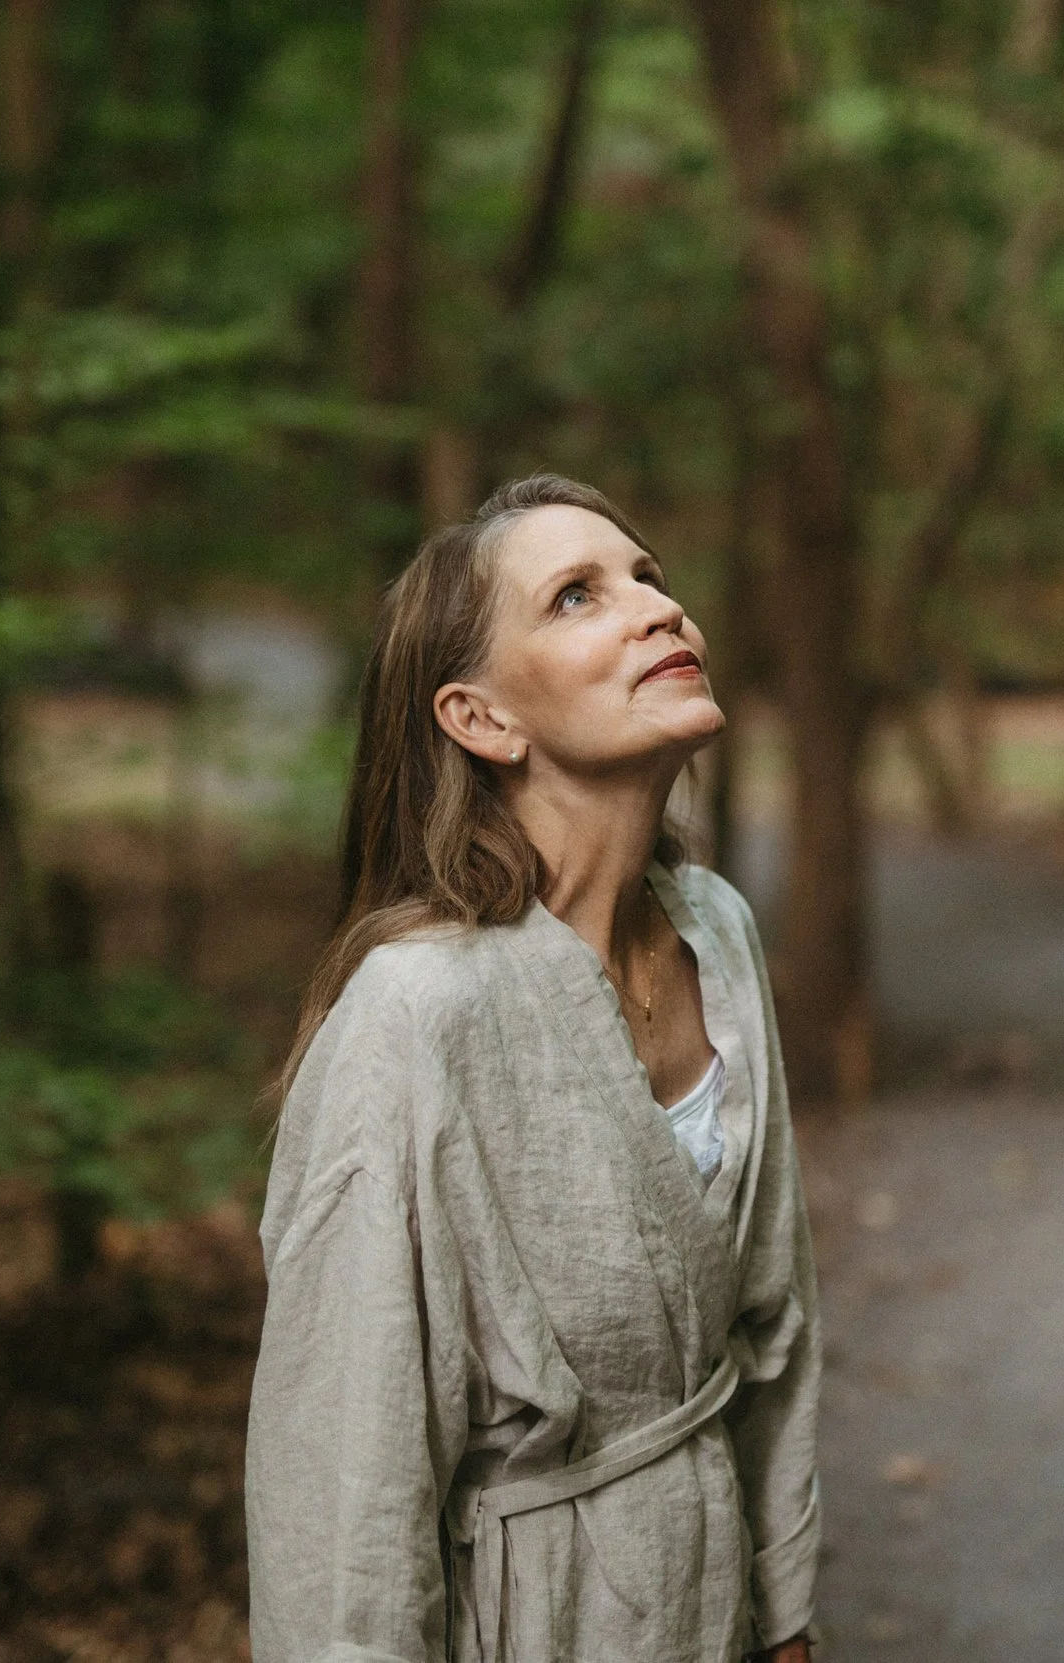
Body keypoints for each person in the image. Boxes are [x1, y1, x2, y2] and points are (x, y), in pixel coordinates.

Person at [245, 474, 821, 1663]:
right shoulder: (417, 1015)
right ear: (481, 719)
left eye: (649, 577)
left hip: (718, 1607)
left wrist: (788, 1613)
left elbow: (777, 1327)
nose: (658, 611)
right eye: (576, 596)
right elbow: (342, 1494)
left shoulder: (716, 927)